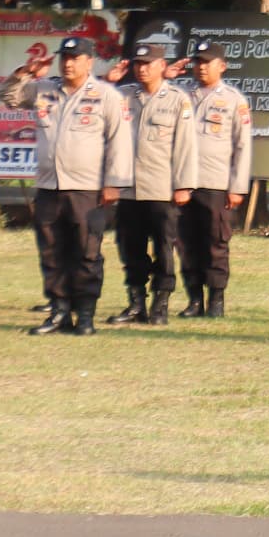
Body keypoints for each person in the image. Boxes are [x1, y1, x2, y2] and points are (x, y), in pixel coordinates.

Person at [5, 35, 131, 337]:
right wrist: (25, 72)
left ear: (89, 62)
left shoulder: (106, 95)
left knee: (86, 252)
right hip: (50, 186)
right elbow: (8, 97)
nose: (68, 63)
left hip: (87, 188)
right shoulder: (45, 90)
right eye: (65, 58)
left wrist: (114, 184)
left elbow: (120, 141)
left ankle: (85, 315)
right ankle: (59, 311)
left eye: (75, 58)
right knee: (52, 252)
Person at [109, 37, 195, 326]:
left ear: (162, 66)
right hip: (128, 188)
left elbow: (185, 147)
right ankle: (136, 304)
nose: (142, 69)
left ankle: (161, 304)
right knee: (130, 248)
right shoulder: (123, 96)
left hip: (162, 189)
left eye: (148, 64)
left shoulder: (177, 99)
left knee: (163, 249)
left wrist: (184, 185)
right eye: (138, 64)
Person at [176, 40, 257, 319]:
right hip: (184, 183)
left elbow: (243, 146)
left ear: (221, 66)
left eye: (206, 62)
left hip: (217, 183)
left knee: (215, 242)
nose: (200, 67)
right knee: (186, 242)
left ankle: (216, 300)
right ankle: (194, 299)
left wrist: (237, 187)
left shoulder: (234, 100)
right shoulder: (180, 94)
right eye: (197, 62)